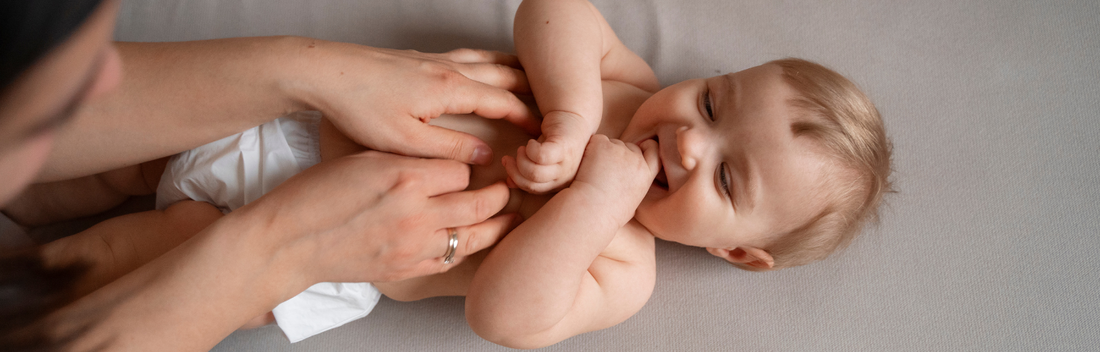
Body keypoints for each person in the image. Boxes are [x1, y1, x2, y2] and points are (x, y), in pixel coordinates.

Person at [142, 0, 894, 347]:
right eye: (711, 101)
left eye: (727, 180)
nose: (692, 141)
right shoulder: (622, 88)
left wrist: (593, 206)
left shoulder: (623, 267)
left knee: (147, 264)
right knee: (118, 160)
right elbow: (552, 8)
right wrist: (571, 109)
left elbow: (501, 318)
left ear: (737, 251)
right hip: (302, 125)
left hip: (329, 257)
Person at [0, 0, 542, 350]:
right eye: (85, 58)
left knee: (117, 237)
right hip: (334, 215)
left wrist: (316, 72)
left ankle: (31, 212)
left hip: (327, 206)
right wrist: (286, 246)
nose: (114, 70)